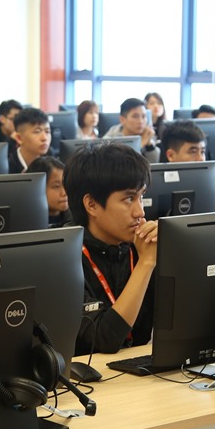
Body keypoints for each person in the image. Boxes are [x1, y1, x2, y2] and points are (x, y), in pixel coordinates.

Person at [63, 142, 158, 355]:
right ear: (92, 205)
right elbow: (104, 339)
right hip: (91, 382)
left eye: (141, 197)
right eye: (129, 198)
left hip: (139, 376)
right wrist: (146, 264)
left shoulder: (143, 245)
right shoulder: (63, 259)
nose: (140, 212)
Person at [104, 98, 158, 162]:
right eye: (135, 116)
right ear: (122, 120)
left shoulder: (147, 133)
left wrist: (150, 146)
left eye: (143, 116)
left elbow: (154, 167)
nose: (141, 121)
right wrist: (140, 144)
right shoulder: (109, 140)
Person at [27, 155, 70, 227]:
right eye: (56, 186)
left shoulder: (76, 221)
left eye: (65, 184)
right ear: (37, 188)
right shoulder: (27, 225)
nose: (64, 193)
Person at [8, 107, 51, 173]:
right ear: (19, 138)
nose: (45, 138)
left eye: (47, 131)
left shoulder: (52, 162)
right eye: (37, 131)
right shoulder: (6, 165)